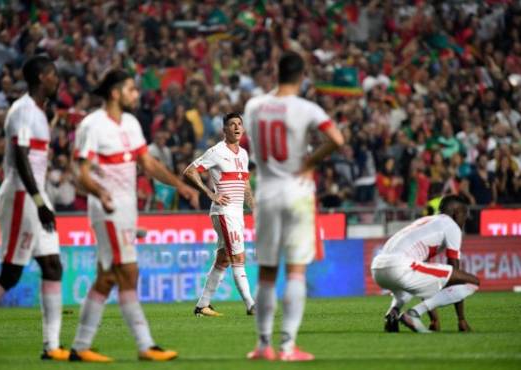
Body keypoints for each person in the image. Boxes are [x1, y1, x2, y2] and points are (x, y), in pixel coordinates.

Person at [70, 69, 199, 363]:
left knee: (106, 279)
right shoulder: (92, 125)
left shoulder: (131, 123)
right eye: (131, 89)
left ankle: (80, 347)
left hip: (128, 212)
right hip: (108, 211)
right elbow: (80, 174)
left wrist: (181, 185)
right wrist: (100, 193)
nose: (136, 94)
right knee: (128, 272)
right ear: (115, 93)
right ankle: (145, 344)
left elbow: (148, 164)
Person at [0, 56, 69, 364]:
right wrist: (38, 201)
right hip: (22, 197)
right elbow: (21, 158)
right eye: (52, 74)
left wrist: (43, 200)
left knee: (53, 267)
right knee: (10, 273)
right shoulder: (23, 110)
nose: (57, 79)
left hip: (35, 196)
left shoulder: (38, 111)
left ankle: (51, 346)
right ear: (40, 77)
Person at [243, 51, 344, 361]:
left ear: (276, 73)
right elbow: (336, 139)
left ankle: (263, 346)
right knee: (296, 272)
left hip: (267, 191)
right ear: (301, 77)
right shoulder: (306, 108)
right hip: (297, 191)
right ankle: (288, 346)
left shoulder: (253, 106)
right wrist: (308, 162)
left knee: (267, 274)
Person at [371, 195, 480, 334]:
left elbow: (425, 281)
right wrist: (461, 319)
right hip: (399, 266)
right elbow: (455, 274)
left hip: (378, 268)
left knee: (413, 279)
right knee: (472, 282)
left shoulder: (426, 221)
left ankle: (393, 312)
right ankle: (413, 314)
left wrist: (434, 320)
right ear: (456, 212)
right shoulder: (451, 226)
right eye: (465, 215)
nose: (465, 221)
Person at [184, 112, 255, 317]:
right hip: (224, 212)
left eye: (239, 124)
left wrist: (254, 207)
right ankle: (251, 305)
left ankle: (202, 305)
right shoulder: (216, 151)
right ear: (224, 129)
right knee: (238, 256)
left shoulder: (243, 154)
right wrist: (210, 194)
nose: (236, 127)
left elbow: (245, 185)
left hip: (237, 212)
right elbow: (190, 171)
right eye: (231, 124)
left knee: (224, 259)